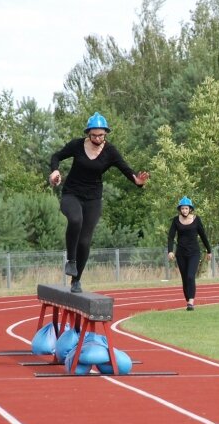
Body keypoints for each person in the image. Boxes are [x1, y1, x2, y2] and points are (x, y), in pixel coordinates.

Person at [48, 112, 150, 293]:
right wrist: (55, 171)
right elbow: (56, 156)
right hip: (71, 194)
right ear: (88, 133)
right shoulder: (77, 145)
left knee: (85, 241)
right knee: (75, 220)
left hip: (93, 199)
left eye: (101, 135)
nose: (97, 138)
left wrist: (137, 181)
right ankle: (71, 261)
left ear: (106, 134)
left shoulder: (110, 151)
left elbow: (126, 169)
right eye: (94, 135)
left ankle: (76, 280)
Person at [167, 197, 212, 310]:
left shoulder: (197, 220)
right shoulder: (176, 220)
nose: (184, 211)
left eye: (186, 208)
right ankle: (188, 300)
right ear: (180, 209)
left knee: (191, 276)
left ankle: (191, 302)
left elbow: (203, 236)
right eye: (182, 208)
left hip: (194, 253)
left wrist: (209, 250)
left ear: (190, 209)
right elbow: (171, 236)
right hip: (181, 253)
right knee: (185, 278)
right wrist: (170, 251)